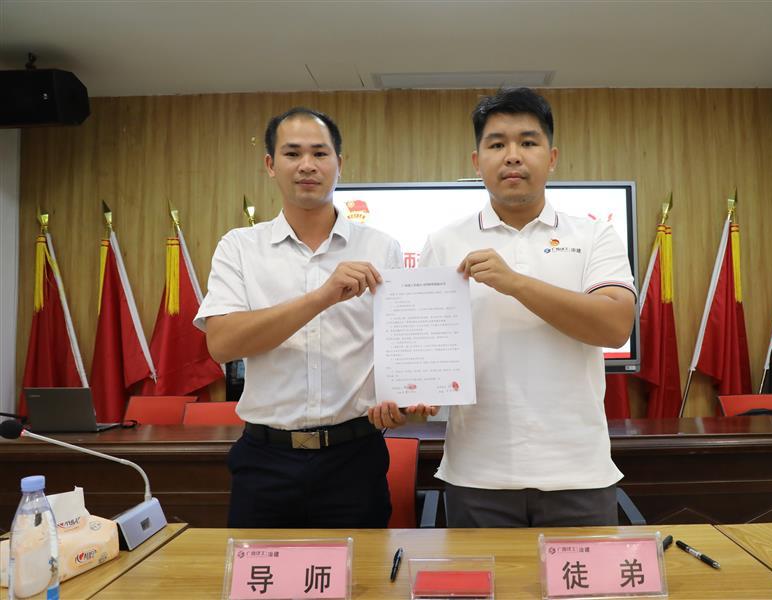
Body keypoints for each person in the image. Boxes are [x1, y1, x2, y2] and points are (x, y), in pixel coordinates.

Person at [194, 107, 430, 528]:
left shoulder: (382, 248)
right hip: (265, 460)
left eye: (320, 153)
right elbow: (222, 343)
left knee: (361, 570)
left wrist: (403, 399)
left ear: (340, 163)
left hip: (354, 458)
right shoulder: (240, 247)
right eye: (292, 153)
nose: (307, 165)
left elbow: (400, 346)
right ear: (271, 164)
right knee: (259, 570)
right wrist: (322, 297)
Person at [418, 88, 637, 527]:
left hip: (579, 474)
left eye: (528, 142)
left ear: (551, 158)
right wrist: (414, 393)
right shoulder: (443, 242)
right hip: (476, 475)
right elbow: (426, 350)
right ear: (477, 161)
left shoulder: (594, 235)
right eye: (497, 144)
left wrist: (515, 283)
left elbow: (615, 326)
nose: (513, 156)